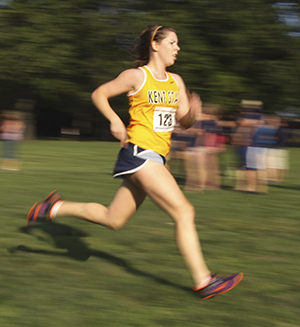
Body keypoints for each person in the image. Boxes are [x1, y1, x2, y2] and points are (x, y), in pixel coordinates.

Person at [27, 25, 243, 300]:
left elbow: (184, 121)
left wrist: (193, 114)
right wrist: (115, 120)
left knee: (113, 219)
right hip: (140, 154)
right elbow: (99, 94)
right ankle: (204, 281)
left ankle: (52, 208)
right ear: (156, 44)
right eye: (173, 42)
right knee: (184, 212)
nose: (178, 48)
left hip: (156, 159)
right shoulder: (136, 76)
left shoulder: (176, 81)